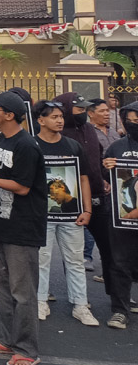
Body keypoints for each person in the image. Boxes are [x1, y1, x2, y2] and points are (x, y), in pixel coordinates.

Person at [0, 91, 48, 365]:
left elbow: (22, 186)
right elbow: (3, 170)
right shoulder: (0, 139)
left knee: (23, 292)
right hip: (0, 222)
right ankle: (8, 340)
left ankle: (27, 350)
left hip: (22, 227)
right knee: (4, 288)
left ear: (8, 114)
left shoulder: (27, 145)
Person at [32, 101, 98, 326]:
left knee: (76, 260)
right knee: (41, 259)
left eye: (61, 116)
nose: (59, 120)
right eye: (54, 117)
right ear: (40, 120)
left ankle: (81, 305)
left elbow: (83, 179)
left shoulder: (73, 145)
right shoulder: (32, 145)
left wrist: (87, 209)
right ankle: (40, 301)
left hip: (72, 216)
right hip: (42, 216)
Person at [56, 91, 114, 281]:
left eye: (84, 109)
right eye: (78, 109)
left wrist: (104, 176)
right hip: (72, 201)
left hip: (98, 197)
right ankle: (77, 298)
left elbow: (97, 158)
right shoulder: (59, 134)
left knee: (110, 248)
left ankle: (117, 295)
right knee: (73, 254)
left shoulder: (89, 128)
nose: (82, 112)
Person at [101, 102, 138, 330]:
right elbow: (108, 175)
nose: (134, 124)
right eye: (130, 120)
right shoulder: (116, 147)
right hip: (122, 216)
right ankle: (120, 310)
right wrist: (106, 166)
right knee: (119, 263)